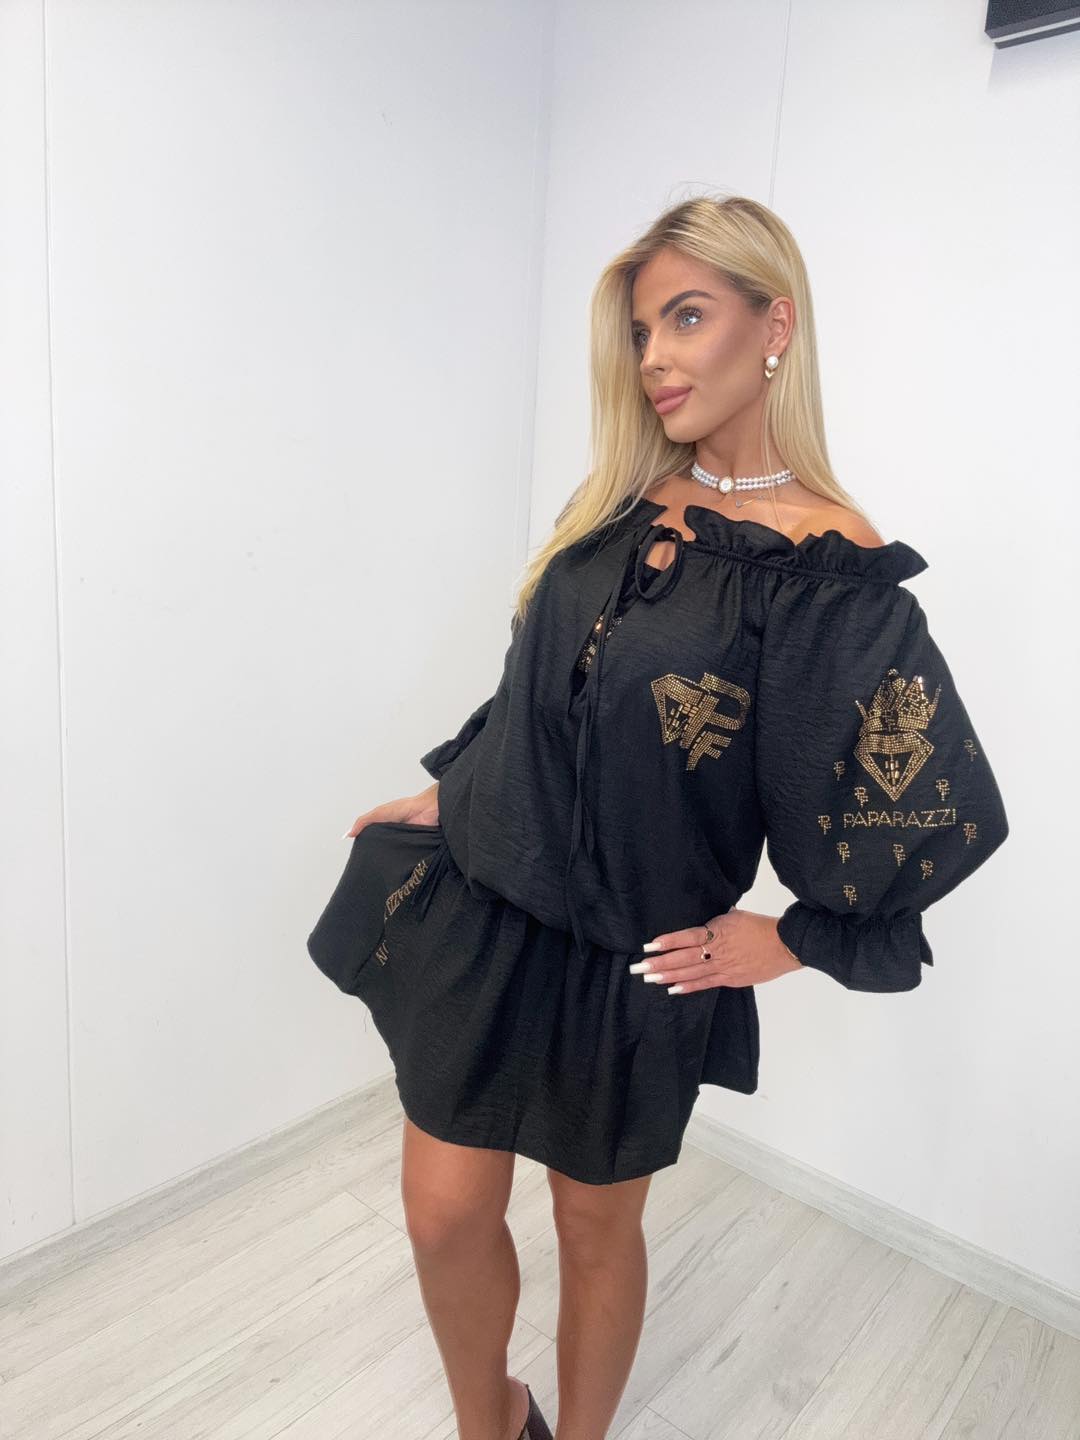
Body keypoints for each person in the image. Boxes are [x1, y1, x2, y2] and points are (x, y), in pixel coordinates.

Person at [340, 196, 1009, 1440]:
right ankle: (494, 1421)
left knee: (596, 1228)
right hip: (491, 906)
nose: (654, 357)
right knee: (442, 1211)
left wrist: (799, 936)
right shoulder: (617, 498)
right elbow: (547, 685)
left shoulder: (826, 565)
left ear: (776, 326)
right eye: (644, 329)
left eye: (687, 318)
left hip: (636, 956)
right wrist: (458, 784)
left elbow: (916, 796)